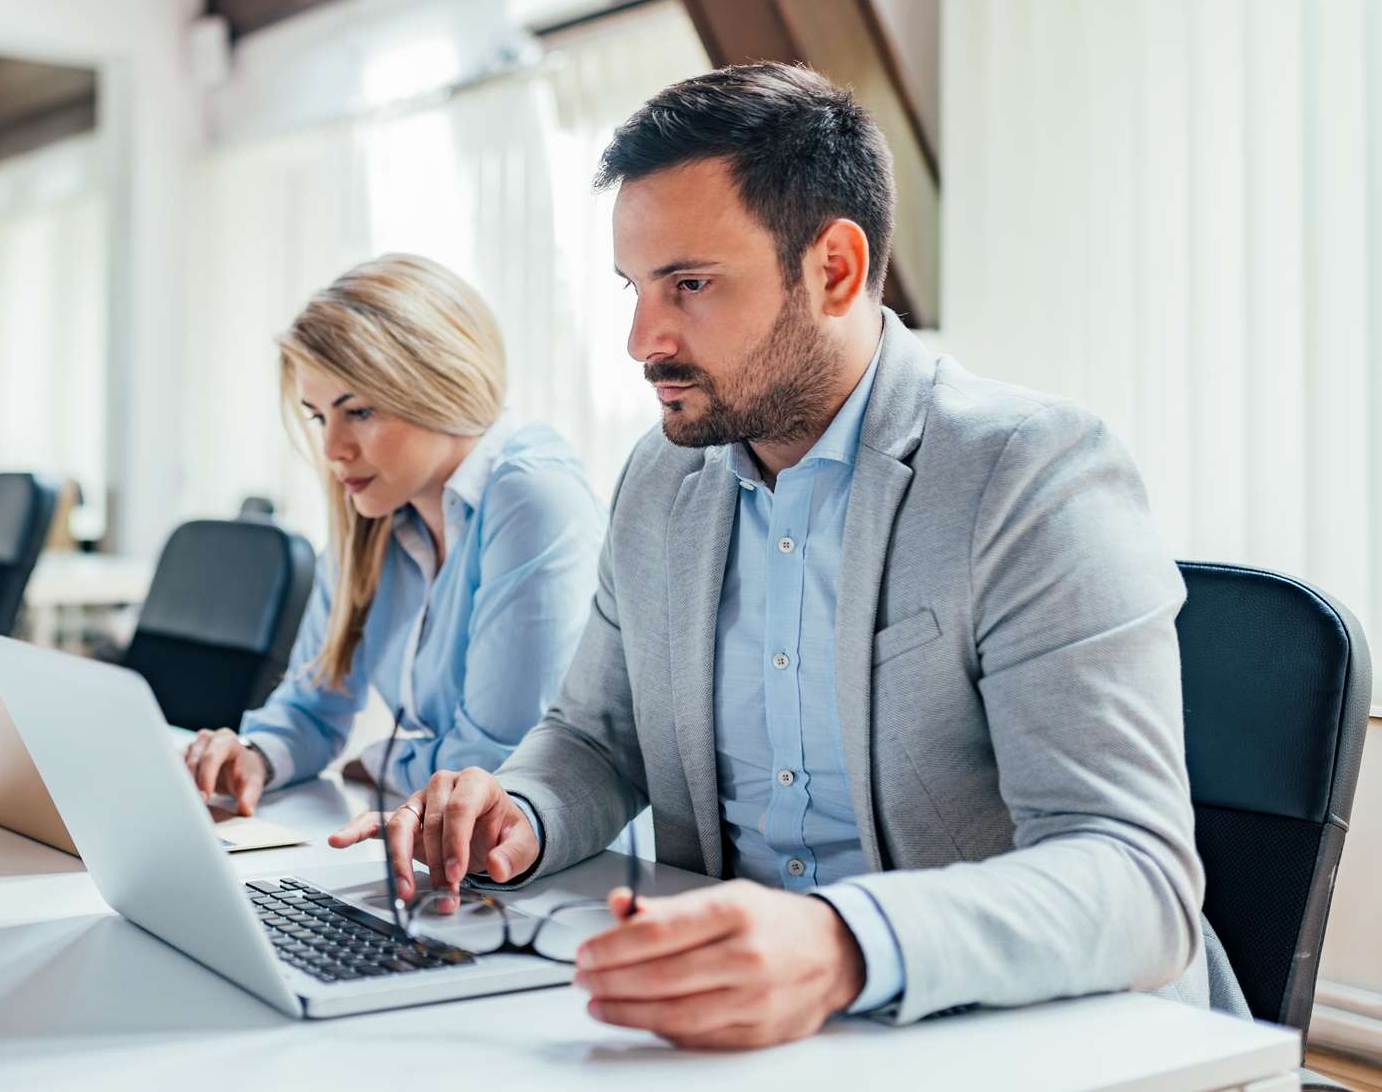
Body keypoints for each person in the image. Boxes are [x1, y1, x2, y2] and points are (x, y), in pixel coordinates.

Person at [331, 63, 1243, 1049]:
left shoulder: (1027, 475)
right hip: (751, 1033)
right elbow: (597, 740)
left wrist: (843, 943)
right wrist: (516, 809)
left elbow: (1133, 877)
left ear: (835, 270)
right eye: (633, 289)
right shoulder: (660, 480)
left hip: (1025, 1037)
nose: (643, 339)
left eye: (689, 284)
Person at [183, 254, 604, 813]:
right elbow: (310, 707)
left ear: (440, 387)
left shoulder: (533, 499)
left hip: (564, 878)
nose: (333, 448)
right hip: (444, 851)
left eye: (357, 411)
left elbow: (493, 767)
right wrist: (255, 754)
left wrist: (382, 759)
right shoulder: (378, 508)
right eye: (318, 416)